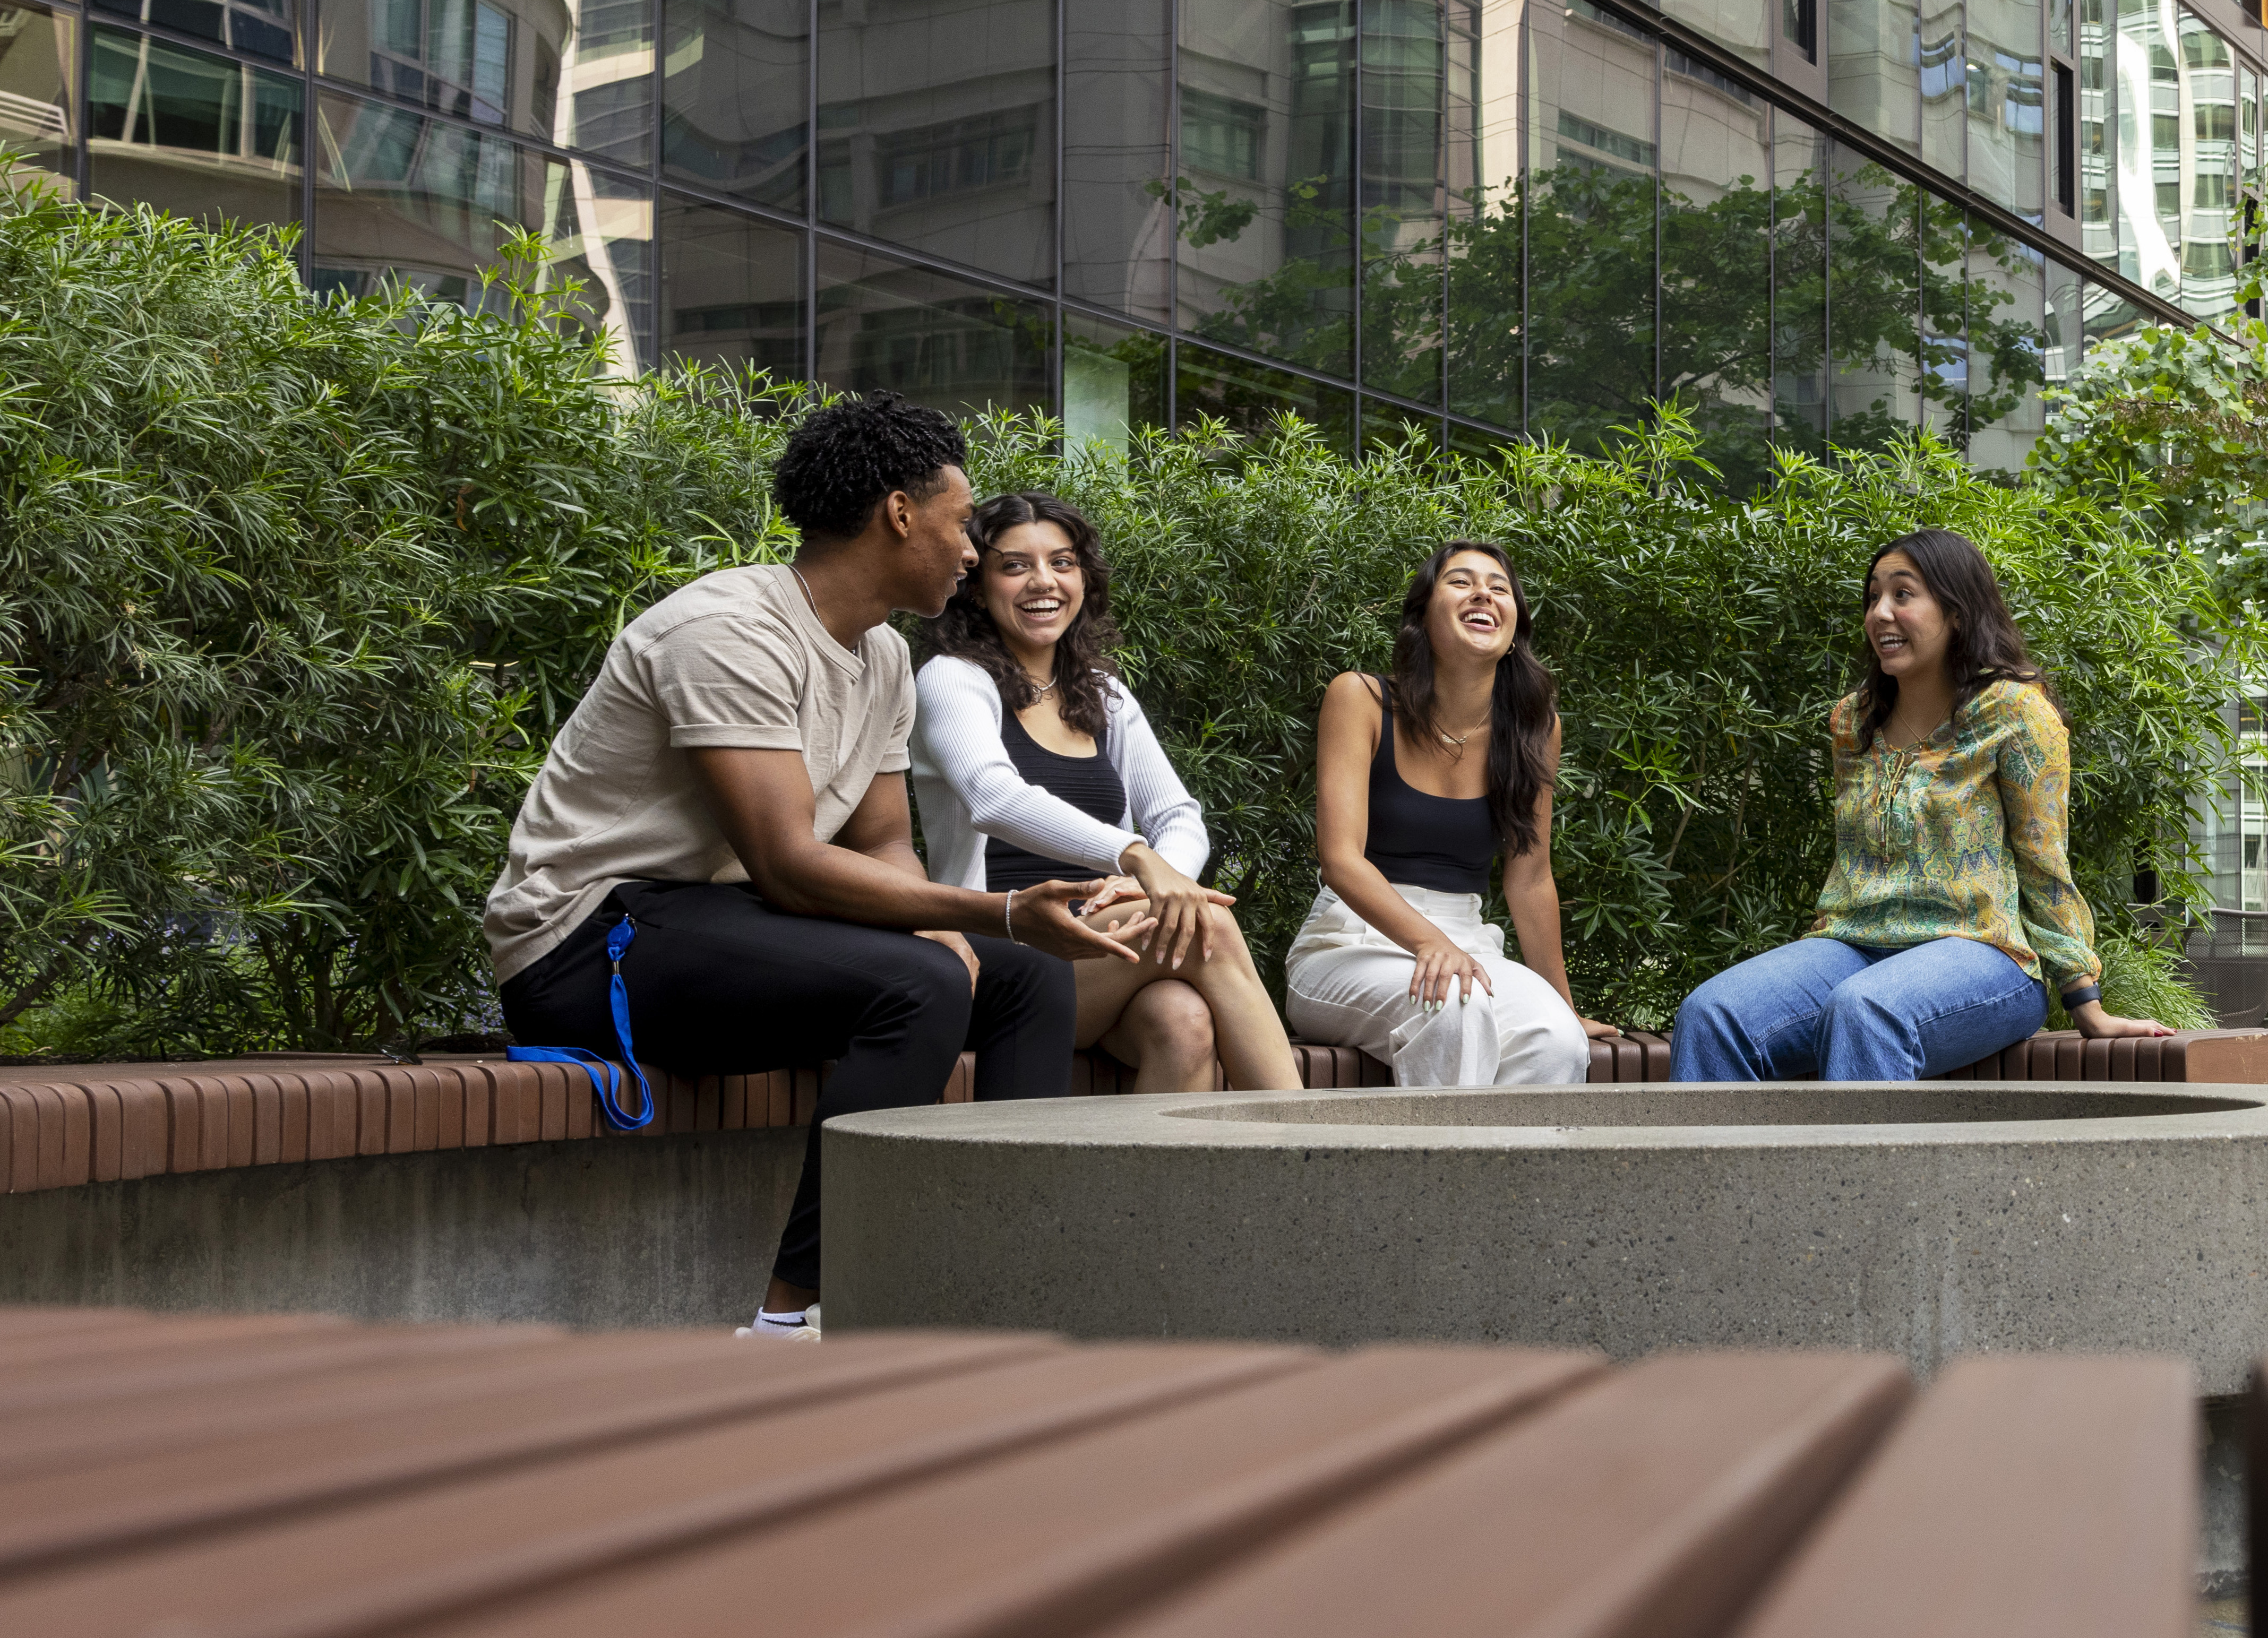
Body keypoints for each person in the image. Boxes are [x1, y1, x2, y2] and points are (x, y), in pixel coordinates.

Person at [486, 393, 1144, 1343]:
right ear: (899, 512)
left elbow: (880, 841)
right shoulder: (726, 629)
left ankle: (1005, 1283)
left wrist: (953, 927)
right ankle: (789, 1318)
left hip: (722, 924)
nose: (969, 551)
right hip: (590, 942)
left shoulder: (878, 654)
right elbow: (790, 864)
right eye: (962, 523)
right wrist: (990, 912)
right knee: (920, 983)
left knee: (1026, 978)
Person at [1672, 528, 2174, 1082]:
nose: (1880, 613)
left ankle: (1856, 1173)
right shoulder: (1853, 721)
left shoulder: (2014, 713)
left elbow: (2044, 861)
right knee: (1710, 1014)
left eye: (1902, 595)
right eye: (1873, 598)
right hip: (1852, 944)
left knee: (1865, 1011)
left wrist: (2086, 1001)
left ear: (1956, 612)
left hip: (1984, 955)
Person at [914, 492, 1302, 1096]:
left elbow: (1178, 815)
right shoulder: (953, 679)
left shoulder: (1102, 693)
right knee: (1213, 929)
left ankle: (1151, 1194)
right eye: (1015, 566)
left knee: (1184, 1022)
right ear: (977, 585)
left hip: (1100, 949)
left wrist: (1152, 882)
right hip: (1005, 957)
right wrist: (1136, 859)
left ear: (1084, 578)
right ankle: (1311, 1152)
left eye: (1062, 563)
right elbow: (992, 796)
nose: (1043, 581)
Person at [1281, 541, 1605, 1085]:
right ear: (1422, 617)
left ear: (1513, 630)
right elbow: (1339, 859)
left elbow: (1529, 880)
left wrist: (1563, 1004)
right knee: (1454, 1007)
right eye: (1460, 581)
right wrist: (1430, 942)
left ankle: (1503, 1173)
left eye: (1499, 588)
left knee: (1556, 1041)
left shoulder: (1534, 729)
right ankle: (1432, 1171)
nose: (1483, 592)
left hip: (1468, 946)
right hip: (1347, 944)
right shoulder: (1360, 699)